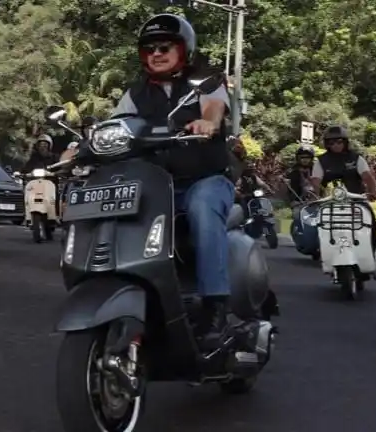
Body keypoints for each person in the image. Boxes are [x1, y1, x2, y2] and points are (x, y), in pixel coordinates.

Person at [110, 13, 232, 340]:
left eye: (165, 46)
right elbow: (114, 128)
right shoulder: (135, 94)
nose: (157, 53)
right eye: (149, 49)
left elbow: (213, 107)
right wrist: (77, 150)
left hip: (203, 181)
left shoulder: (204, 81)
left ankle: (215, 306)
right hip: (154, 186)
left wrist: (208, 123)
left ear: (183, 49)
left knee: (203, 208)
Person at [310, 125, 376, 197]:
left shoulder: (356, 158)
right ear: (327, 144)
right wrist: (316, 198)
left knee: (367, 208)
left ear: (345, 142)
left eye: (339, 142)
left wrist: (373, 193)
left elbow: (367, 177)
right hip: (329, 202)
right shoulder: (321, 161)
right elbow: (316, 182)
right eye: (331, 143)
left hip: (356, 200)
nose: (336, 145)